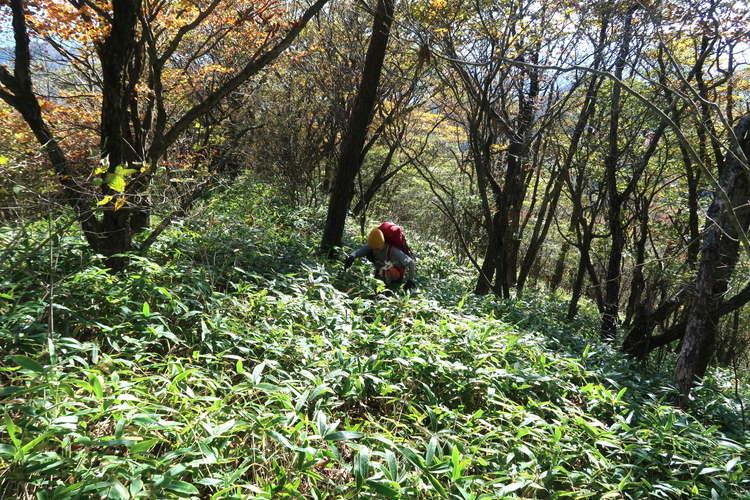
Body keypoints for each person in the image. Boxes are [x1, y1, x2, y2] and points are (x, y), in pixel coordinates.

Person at [344, 227, 416, 290]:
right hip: (380, 274)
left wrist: (410, 280)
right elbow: (359, 252)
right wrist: (351, 258)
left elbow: (411, 263)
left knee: (391, 293)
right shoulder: (372, 245)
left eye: (377, 249)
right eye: (373, 249)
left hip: (394, 276)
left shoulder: (393, 251)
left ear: (383, 244)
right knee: (377, 293)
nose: (375, 251)